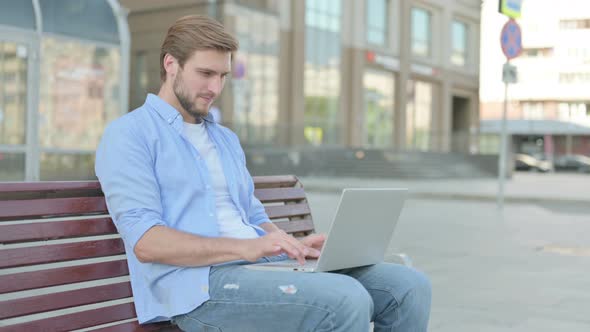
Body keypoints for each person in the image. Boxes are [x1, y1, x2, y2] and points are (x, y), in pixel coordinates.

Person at [95, 15, 431, 332]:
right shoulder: (130, 135)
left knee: (409, 286)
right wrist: (247, 248)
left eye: (223, 76)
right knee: (344, 298)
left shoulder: (223, 138)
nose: (215, 86)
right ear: (171, 64)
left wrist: (291, 244)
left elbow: (252, 214)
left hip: (259, 268)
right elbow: (147, 243)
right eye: (205, 73)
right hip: (197, 287)